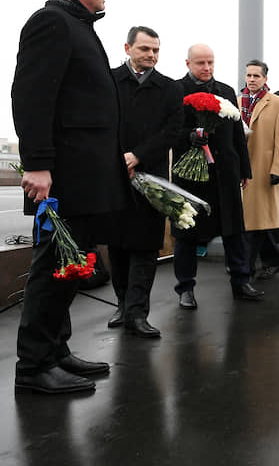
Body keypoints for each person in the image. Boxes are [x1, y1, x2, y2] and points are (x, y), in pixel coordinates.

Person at [11, 0, 130, 393]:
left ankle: (55, 350)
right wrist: (38, 164)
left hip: (85, 175)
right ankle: (34, 366)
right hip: (64, 176)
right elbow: (31, 97)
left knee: (70, 265)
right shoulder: (51, 23)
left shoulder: (77, 26)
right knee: (52, 267)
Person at [171, 44, 263, 309]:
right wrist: (190, 137)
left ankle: (241, 281)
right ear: (188, 63)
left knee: (234, 230)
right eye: (201, 63)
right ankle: (185, 287)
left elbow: (237, 134)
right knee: (187, 232)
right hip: (191, 176)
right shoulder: (176, 91)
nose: (207, 68)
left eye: (210, 62)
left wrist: (244, 170)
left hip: (225, 172)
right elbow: (169, 131)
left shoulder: (225, 91)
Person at [107, 26, 183, 338]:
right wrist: (117, 158)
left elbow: (172, 130)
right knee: (117, 243)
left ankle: (138, 313)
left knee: (146, 245)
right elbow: (100, 124)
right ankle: (122, 304)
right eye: (144, 49)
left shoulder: (169, 88)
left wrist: (137, 155)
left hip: (151, 178)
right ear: (128, 48)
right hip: (113, 175)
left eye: (155, 50)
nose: (151, 55)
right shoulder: (110, 80)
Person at [239, 60, 279, 280]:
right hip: (242, 170)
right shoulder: (237, 102)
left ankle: (247, 268)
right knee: (254, 222)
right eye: (249, 75)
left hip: (263, 171)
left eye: (256, 76)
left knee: (257, 223)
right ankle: (272, 262)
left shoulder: (278, 103)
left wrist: (278, 170)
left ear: (265, 78)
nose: (251, 79)